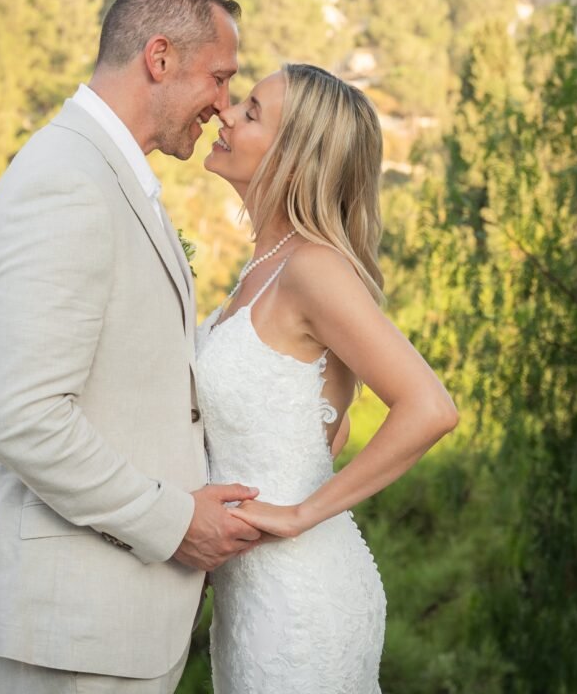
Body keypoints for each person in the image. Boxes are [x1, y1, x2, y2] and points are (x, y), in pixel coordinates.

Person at [0, 0, 262, 694]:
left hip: (105, 622)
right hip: (72, 627)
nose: (223, 104)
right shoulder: (67, 182)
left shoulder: (100, 169)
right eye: (219, 77)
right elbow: (22, 418)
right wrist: (174, 521)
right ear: (160, 57)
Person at [197, 63, 459, 693]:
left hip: (299, 600)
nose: (227, 113)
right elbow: (316, 428)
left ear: (294, 158)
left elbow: (430, 407)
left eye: (253, 111)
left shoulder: (312, 267)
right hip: (249, 596)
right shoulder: (262, 266)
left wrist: (298, 514)